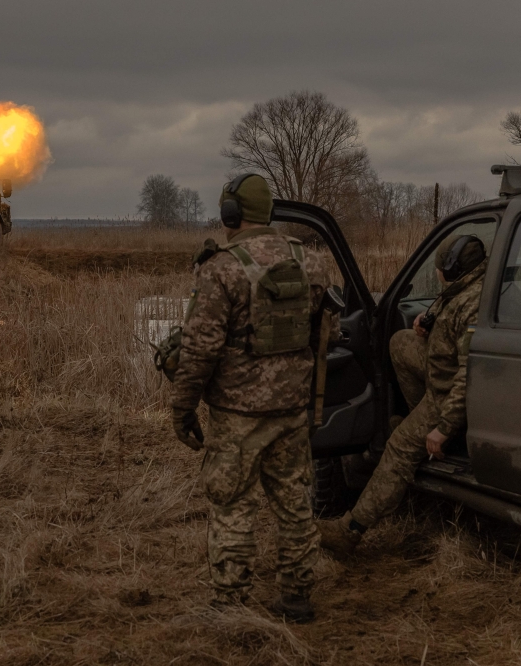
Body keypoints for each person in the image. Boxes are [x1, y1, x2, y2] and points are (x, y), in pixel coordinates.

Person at [171, 173, 338, 623]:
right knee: (295, 505)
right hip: (292, 410)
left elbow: (200, 347)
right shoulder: (313, 263)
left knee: (232, 506)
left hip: (237, 416)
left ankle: (230, 604)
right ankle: (298, 598)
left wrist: (182, 408)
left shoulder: (221, 268)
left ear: (230, 213)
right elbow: (328, 333)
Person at [317, 234, 487, 554]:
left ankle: (350, 530)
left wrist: (444, 426)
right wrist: (427, 322)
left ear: (450, 269)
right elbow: (448, 318)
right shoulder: (468, 285)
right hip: (441, 369)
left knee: (397, 447)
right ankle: (415, 420)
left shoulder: (472, 308)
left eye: (439, 266)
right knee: (400, 342)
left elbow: (469, 375)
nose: (437, 272)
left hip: (448, 394)